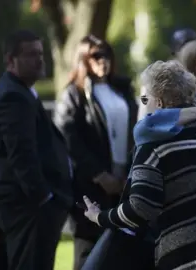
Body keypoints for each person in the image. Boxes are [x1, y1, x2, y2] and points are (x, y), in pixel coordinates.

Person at [83, 60, 196, 270]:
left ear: (159, 103)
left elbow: (142, 209)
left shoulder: (154, 145)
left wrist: (100, 217)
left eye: (147, 100)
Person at [53, 35, 142, 270]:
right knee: (89, 255)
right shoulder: (73, 95)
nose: (103, 60)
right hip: (90, 188)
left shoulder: (122, 90)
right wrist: (100, 175)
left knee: (123, 251)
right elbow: (69, 140)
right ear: (83, 59)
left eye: (107, 54)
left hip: (124, 184)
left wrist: (127, 176)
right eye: (96, 55)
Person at [0, 30, 73, 270]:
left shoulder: (21, 90)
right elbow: (20, 154)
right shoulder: (12, 95)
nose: (40, 60)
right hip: (28, 207)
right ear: (11, 60)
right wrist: (43, 197)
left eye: (41, 53)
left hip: (31, 204)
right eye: (31, 54)